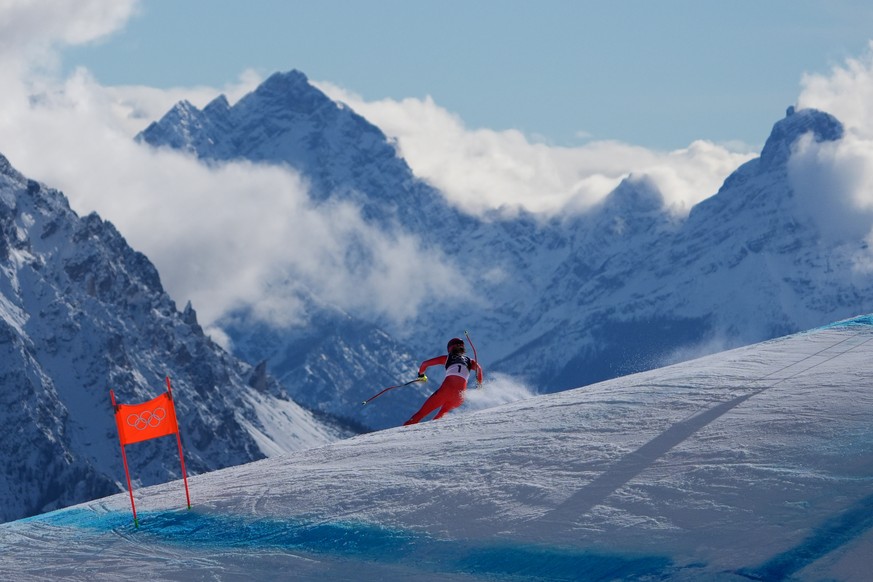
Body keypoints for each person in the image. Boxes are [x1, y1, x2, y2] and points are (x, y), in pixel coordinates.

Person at [403, 337, 484, 425]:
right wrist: (479, 386)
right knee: (440, 416)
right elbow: (479, 369)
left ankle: (404, 431)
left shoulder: (447, 358)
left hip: (446, 391)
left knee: (420, 414)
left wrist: (421, 376)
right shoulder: (470, 361)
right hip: (459, 397)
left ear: (450, 348)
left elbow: (424, 364)